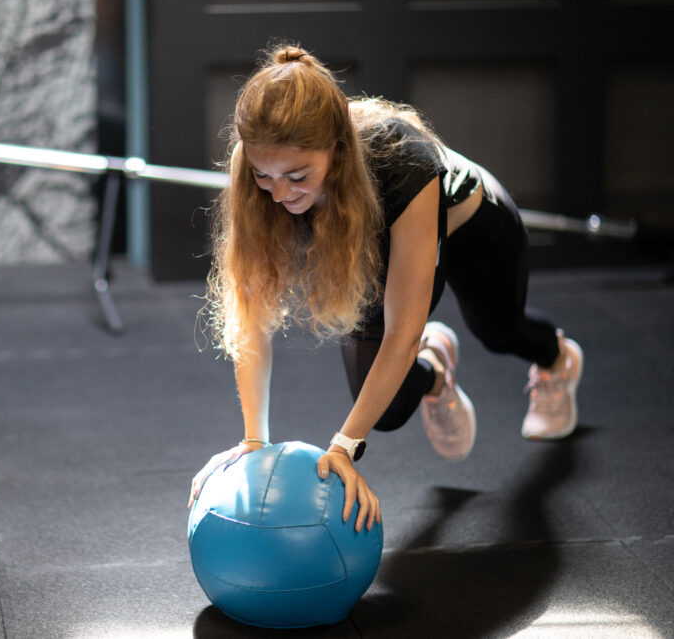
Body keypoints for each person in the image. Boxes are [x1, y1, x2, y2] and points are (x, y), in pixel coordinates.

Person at [187, 44, 583, 533]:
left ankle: (556, 359)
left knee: (500, 331)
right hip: (374, 235)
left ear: (336, 148)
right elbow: (252, 312)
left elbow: (403, 328)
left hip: (474, 228)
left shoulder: (402, 161)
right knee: (388, 409)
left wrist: (344, 448)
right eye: (265, 177)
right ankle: (436, 370)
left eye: (297, 176)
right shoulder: (256, 167)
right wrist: (253, 442)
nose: (281, 193)